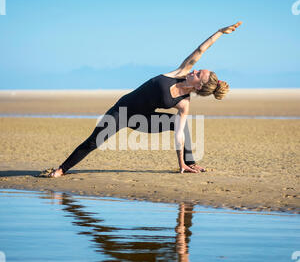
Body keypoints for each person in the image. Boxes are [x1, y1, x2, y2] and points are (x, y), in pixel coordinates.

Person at [39, 21, 242, 178]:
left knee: (178, 124)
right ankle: (61, 170)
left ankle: (190, 163)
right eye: (198, 69)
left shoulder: (184, 103)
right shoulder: (180, 72)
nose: (195, 70)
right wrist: (220, 32)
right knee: (93, 141)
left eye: (198, 74)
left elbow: (179, 135)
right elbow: (200, 50)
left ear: (198, 86)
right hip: (123, 111)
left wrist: (180, 163)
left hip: (141, 121)